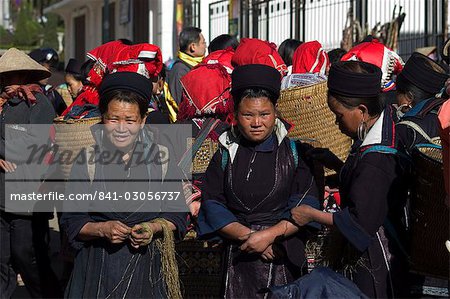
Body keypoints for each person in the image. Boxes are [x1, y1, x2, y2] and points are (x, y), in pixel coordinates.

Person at [60, 71, 187, 298]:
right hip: (98, 267)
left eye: (130, 120)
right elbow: (71, 220)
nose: (121, 128)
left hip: (148, 269)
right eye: (113, 119)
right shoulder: (87, 159)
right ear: (102, 118)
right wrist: (101, 229)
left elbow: (176, 214)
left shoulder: (163, 159)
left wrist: (153, 228)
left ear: (143, 121)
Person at [197, 64, 319, 298]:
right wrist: (248, 236)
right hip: (239, 255)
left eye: (264, 114)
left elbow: (306, 204)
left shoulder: (295, 153)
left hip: (282, 251)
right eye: (248, 115)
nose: (256, 123)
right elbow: (212, 203)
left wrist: (269, 237)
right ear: (235, 115)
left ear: (275, 112)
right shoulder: (225, 152)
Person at [291, 61, 409, 298]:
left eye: (339, 116)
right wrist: (335, 164)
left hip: (376, 261)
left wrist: (311, 215)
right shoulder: (382, 132)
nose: (337, 123)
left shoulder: (378, 157)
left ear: (362, 111)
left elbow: (359, 221)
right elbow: (367, 187)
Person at [0, 48, 61, 298]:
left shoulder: (39, 104)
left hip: (29, 192)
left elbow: (30, 149)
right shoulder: (2, 104)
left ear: (24, 76)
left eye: (9, 77)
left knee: (27, 256)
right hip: (2, 193)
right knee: (2, 258)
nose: (4, 83)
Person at [395, 52, 449, 154]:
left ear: (409, 97)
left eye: (397, 95)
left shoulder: (406, 129)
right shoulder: (446, 116)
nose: (396, 103)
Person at [167, 27, 206, 104]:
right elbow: (179, 102)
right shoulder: (180, 70)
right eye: (203, 43)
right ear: (193, 47)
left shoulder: (195, 66)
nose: (205, 46)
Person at [29, 48, 67, 115]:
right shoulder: (18, 93)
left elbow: (65, 115)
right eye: (43, 69)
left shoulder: (51, 93)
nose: (48, 74)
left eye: (49, 70)